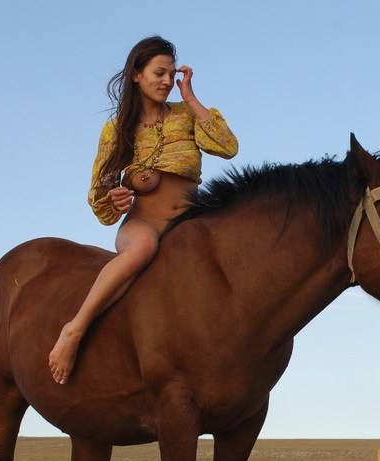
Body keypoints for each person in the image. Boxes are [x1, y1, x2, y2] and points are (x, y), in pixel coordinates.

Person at [49, 36, 238, 384]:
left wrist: (190, 97)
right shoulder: (116, 130)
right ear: (136, 75)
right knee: (142, 250)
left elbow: (228, 147)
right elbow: (100, 193)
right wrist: (115, 198)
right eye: (158, 73)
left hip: (189, 221)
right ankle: (74, 329)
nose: (166, 81)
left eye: (171, 74)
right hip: (144, 223)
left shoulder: (185, 115)